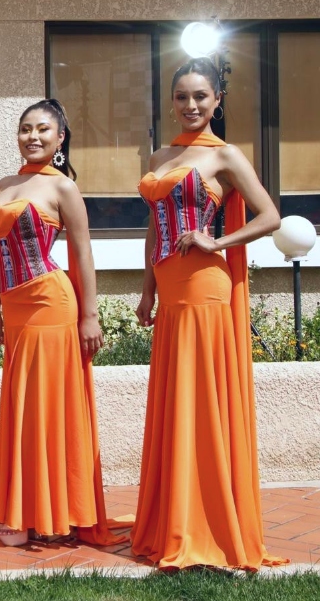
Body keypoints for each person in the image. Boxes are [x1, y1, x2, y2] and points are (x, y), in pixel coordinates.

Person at [131, 58, 285, 570]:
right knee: (178, 404)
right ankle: (176, 519)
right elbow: (155, 229)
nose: (191, 105)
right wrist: (147, 291)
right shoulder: (159, 154)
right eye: (181, 96)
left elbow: (270, 216)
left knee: (204, 404)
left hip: (206, 288)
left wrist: (216, 238)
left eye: (201, 96)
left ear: (218, 100)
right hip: (171, 293)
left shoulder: (226, 156)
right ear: (171, 101)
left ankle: (209, 526)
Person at [0, 99, 121, 546]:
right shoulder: (5, 183)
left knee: (48, 410)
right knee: (22, 410)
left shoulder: (63, 189)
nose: (33, 136)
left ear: (60, 139)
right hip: (16, 310)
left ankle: (53, 513)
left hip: (50, 305)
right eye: (25, 129)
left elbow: (83, 254)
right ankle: (25, 509)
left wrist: (90, 316)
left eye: (43, 129)